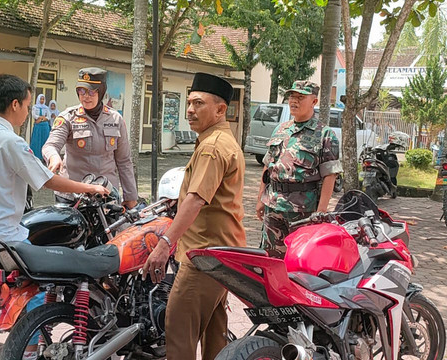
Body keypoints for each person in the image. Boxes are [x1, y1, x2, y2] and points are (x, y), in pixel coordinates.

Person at [0, 74, 109, 359]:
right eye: (26, 106)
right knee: (50, 274)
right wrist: (90, 188)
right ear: (14, 105)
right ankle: (29, 342)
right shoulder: (10, 141)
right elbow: (47, 180)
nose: (28, 113)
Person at [142, 72, 245, 360]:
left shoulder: (212, 147)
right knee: (215, 337)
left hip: (203, 256)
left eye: (198, 103)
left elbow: (196, 199)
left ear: (220, 109)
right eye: (189, 102)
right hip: (222, 254)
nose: (190, 110)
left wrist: (165, 244)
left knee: (179, 334)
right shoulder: (219, 139)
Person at [255, 80, 342, 256]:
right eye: (292, 97)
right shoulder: (281, 129)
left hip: (304, 211)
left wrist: (321, 211)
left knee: (299, 259)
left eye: (300, 97)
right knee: (270, 258)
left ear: (314, 102)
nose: (294, 101)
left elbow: (329, 175)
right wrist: (260, 198)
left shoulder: (325, 134)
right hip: (273, 205)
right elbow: (268, 165)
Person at [42, 67, 138, 209]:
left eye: (92, 91)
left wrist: (130, 196)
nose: (86, 96)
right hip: (72, 196)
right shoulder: (68, 117)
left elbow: (124, 161)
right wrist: (54, 157)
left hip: (106, 195)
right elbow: (50, 145)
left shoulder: (115, 119)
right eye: (82, 91)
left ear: (101, 92)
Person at [29, 94, 51, 161]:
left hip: (45, 126)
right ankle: (36, 157)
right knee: (36, 141)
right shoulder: (35, 107)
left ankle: (45, 157)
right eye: (41, 99)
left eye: (43, 99)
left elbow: (48, 117)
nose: (42, 100)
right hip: (38, 126)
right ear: (38, 99)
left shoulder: (46, 108)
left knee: (45, 141)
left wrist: (41, 119)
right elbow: (34, 115)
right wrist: (42, 117)